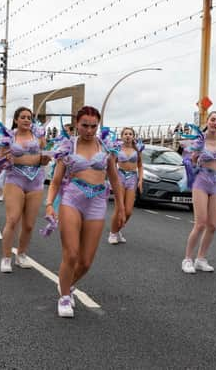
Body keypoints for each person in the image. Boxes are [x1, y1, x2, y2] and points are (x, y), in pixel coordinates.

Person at [46, 106, 125, 318]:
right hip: (72, 198)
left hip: (98, 200)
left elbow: (115, 180)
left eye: (93, 126)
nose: (89, 130)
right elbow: (55, 182)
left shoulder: (106, 148)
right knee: (71, 254)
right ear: (77, 125)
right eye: (85, 126)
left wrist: (121, 207)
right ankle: (64, 296)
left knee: (86, 262)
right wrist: (49, 205)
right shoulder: (68, 146)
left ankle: (66, 284)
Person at [181, 111, 216, 274]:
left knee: (212, 225)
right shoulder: (199, 140)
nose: (215, 123)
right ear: (208, 121)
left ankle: (201, 259)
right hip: (201, 181)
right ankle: (187, 259)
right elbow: (190, 161)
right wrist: (194, 157)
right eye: (212, 120)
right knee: (200, 223)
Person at [0, 107, 51, 273]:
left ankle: (21, 255)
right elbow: (0, 157)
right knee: (13, 219)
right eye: (23, 117)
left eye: (29, 117)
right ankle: (6, 257)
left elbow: (44, 157)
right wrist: (6, 158)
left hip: (35, 179)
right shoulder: (9, 137)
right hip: (15, 178)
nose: (27, 120)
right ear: (16, 120)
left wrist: (44, 160)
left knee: (29, 225)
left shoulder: (38, 137)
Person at [108, 127, 144, 244]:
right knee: (119, 208)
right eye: (125, 134)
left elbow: (140, 165)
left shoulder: (137, 149)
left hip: (132, 178)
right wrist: (112, 180)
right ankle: (112, 233)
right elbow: (112, 165)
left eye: (130, 134)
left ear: (133, 136)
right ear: (122, 136)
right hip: (120, 177)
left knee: (128, 211)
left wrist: (140, 180)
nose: (128, 136)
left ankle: (117, 230)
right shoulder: (117, 149)